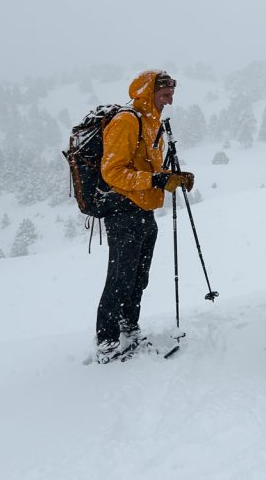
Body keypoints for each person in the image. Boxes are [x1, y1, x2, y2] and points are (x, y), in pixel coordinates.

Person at [95, 70, 194, 363]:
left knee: (138, 275)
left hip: (143, 209)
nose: (170, 100)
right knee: (120, 277)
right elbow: (112, 172)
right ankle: (107, 341)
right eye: (165, 94)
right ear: (148, 93)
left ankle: (129, 327)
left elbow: (147, 166)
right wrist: (157, 180)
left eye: (172, 94)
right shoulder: (127, 121)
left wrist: (171, 176)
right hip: (123, 208)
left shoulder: (152, 123)